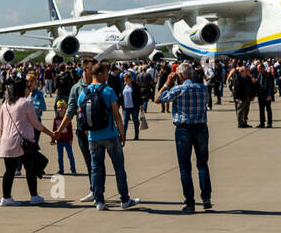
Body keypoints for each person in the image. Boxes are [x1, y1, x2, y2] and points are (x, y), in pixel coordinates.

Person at [74, 63, 139, 212]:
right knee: (119, 168)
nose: (108, 75)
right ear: (101, 74)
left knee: (96, 168)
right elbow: (117, 115)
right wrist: (122, 133)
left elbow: (80, 116)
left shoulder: (83, 92)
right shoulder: (108, 90)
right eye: (106, 72)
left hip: (93, 137)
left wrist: (87, 133)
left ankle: (99, 201)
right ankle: (124, 199)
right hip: (110, 135)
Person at [155, 62, 212, 213]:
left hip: (184, 129)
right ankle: (206, 198)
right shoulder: (203, 89)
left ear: (180, 75)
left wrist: (167, 83)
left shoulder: (178, 89)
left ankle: (190, 202)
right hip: (200, 127)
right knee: (202, 163)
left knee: (185, 167)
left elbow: (158, 98)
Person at [0, 75, 54, 206]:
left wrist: (3, 138)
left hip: (7, 141)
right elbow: (37, 125)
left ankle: (6, 197)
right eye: (27, 87)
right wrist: (51, 134)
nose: (29, 89)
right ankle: (34, 196)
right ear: (22, 89)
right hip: (23, 142)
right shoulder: (26, 102)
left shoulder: (5, 103)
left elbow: (1, 126)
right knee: (30, 169)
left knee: (9, 170)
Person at [51, 98, 76, 175]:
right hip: (59, 141)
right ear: (57, 109)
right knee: (60, 157)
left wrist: (71, 139)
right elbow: (54, 130)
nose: (60, 109)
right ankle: (61, 170)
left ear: (65, 109)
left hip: (67, 141)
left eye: (62, 107)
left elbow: (70, 130)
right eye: (59, 107)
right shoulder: (56, 119)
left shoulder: (67, 120)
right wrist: (53, 139)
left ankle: (73, 169)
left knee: (70, 155)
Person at [255, 62, 275, 128]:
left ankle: (269, 123)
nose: (258, 70)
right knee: (261, 110)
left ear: (263, 68)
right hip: (260, 95)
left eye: (259, 69)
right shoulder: (259, 75)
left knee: (268, 109)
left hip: (267, 95)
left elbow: (271, 86)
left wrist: (270, 95)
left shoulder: (269, 75)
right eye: (257, 69)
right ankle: (262, 123)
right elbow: (257, 84)